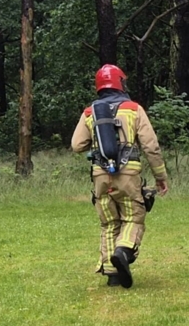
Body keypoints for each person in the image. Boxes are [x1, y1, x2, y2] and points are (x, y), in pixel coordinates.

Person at [71, 64, 169, 288]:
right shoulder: (134, 109)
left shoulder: (90, 112)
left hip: (100, 178)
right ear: (121, 83)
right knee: (133, 218)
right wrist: (160, 176)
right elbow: (151, 147)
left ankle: (112, 273)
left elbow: (77, 145)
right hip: (128, 176)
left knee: (108, 223)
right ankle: (123, 251)